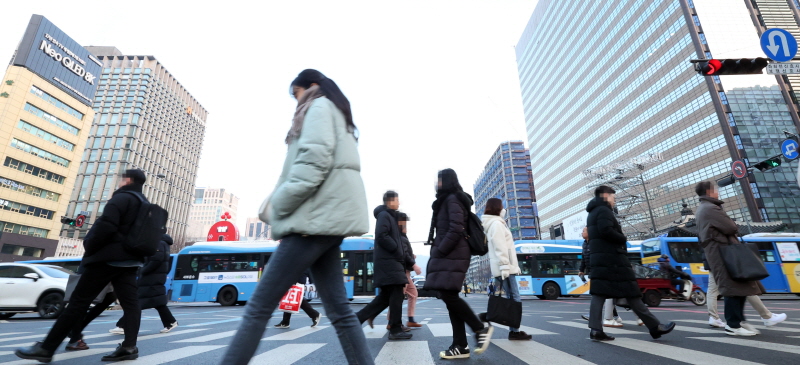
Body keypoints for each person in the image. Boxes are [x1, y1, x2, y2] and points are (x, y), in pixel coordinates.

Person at [220, 69, 373, 365]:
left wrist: (278, 205)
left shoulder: (317, 107)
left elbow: (312, 164)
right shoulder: (337, 114)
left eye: (296, 93)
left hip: (310, 222)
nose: (295, 102)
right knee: (340, 312)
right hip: (326, 222)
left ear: (312, 86)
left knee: (258, 307)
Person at [15, 169, 151, 362]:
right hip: (130, 262)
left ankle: (47, 348)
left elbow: (106, 227)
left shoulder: (121, 199)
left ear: (127, 180)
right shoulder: (144, 204)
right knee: (131, 305)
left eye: (121, 179)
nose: (119, 182)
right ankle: (129, 347)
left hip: (106, 259)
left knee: (78, 302)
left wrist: (90, 246)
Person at [694, 181, 785, 336]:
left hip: (721, 253)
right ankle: (734, 325)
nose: (718, 192)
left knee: (738, 287)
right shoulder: (711, 208)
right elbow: (731, 227)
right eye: (715, 189)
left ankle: (740, 322)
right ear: (709, 191)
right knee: (733, 288)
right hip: (723, 253)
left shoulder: (705, 208)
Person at [586, 185, 675, 341]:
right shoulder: (604, 210)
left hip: (601, 258)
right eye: (613, 197)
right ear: (605, 196)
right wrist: (623, 238)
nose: (614, 200)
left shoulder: (593, 212)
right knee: (632, 292)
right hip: (613, 259)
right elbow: (606, 230)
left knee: (599, 293)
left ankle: (595, 329)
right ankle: (655, 327)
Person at [424, 168, 493, 359]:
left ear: (446, 181)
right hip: (452, 253)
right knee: (449, 298)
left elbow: (456, 228)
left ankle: (479, 329)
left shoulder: (452, 199)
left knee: (449, 296)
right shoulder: (449, 200)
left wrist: (440, 250)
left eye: (439, 180)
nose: (436, 184)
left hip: (453, 253)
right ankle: (460, 346)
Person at [355, 191, 413, 340]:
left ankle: (357, 319)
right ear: (390, 201)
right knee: (396, 294)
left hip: (391, 261)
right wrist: (396, 249)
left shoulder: (390, 216)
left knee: (386, 297)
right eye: (397, 200)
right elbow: (382, 235)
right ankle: (395, 329)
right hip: (389, 261)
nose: (399, 203)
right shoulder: (384, 215)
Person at [481, 198, 532, 341]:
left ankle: (510, 328)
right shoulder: (497, 224)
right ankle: (513, 331)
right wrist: (504, 265)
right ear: (498, 207)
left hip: (504, 266)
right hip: (506, 267)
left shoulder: (496, 223)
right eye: (502, 206)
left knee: (508, 297)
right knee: (514, 298)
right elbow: (500, 246)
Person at [110, 234, 178, 335]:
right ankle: (170, 321)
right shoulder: (163, 243)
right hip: (153, 279)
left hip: (151, 279)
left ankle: (123, 326)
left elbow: (156, 260)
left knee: (137, 303)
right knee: (157, 302)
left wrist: (142, 271)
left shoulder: (159, 243)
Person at [386, 213, 423, 329]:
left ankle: (410, 319)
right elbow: (403, 254)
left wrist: (412, 256)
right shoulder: (399, 237)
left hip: (406, 272)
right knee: (397, 297)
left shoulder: (401, 236)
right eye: (403, 222)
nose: (406, 225)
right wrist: (414, 264)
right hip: (402, 272)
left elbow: (405, 253)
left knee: (413, 294)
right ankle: (391, 322)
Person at [64, 280, 116, 351]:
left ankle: (74, 332)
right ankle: (74, 338)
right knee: (83, 301)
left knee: (111, 296)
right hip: (93, 271)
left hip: (108, 271)